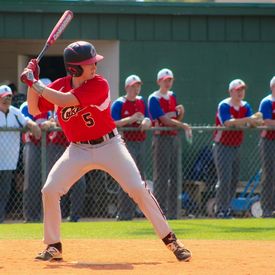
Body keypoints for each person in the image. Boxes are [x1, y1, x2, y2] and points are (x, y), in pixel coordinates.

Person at [20, 41, 191, 262]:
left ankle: (172, 241)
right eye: (90, 63)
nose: (95, 66)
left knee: (137, 189)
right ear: (74, 68)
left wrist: (35, 83)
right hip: (78, 149)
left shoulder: (99, 84)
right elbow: (34, 108)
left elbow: (64, 100)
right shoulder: (59, 85)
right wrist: (32, 82)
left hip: (109, 146)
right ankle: (53, 245)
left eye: (94, 62)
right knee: (50, 190)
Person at [213, 79, 263, 218]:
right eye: (237, 90)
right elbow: (228, 123)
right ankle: (220, 210)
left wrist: (255, 121)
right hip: (222, 146)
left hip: (236, 146)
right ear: (231, 92)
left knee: (234, 180)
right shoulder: (224, 105)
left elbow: (250, 123)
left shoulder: (245, 106)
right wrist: (249, 120)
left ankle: (227, 208)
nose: (240, 92)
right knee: (224, 179)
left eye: (242, 90)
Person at [148, 68, 192, 219]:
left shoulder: (173, 96)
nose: (168, 83)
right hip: (161, 139)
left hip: (173, 138)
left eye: (170, 80)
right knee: (161, 177)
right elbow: (165, 120)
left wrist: (182, 113)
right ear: (159, 81)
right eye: (165, 80)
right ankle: (159, 212)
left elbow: (175, 120)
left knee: (175, 176)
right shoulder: (154, 98)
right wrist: (183, 125)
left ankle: (173, 213)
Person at [111, 74, 151, 221]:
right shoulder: (119, 103)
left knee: (140, 178)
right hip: (125, 144)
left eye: (138, 86)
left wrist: (147, 122)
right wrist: (131, 119)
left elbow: (148, 118)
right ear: (127, 87)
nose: (136, 88)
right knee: (126, 177)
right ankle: (124, 213)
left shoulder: (142, 101)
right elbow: (112, 123)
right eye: (134, 86)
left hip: (140, 143)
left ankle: (139, 210)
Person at [0, 85, 40, 223]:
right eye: (4, 97)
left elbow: (25, 120)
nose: (7, 100)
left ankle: (0, 218)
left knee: (5, 191)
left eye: (9, 97)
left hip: (8, 160)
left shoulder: (15, 112)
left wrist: (33, 125)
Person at [46, 112, 87, 222]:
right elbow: (58, 121)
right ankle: (54, 217)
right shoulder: (58, 103)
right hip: (57, 147)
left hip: (75, 147)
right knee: (54, 184)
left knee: (80, 183)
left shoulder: (79, 104)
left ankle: (74, 217)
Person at [258, 76, 275, 218]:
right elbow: (268, 121)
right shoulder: (267, 102)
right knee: (269, 175)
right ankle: (267, 209)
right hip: (269, 142)